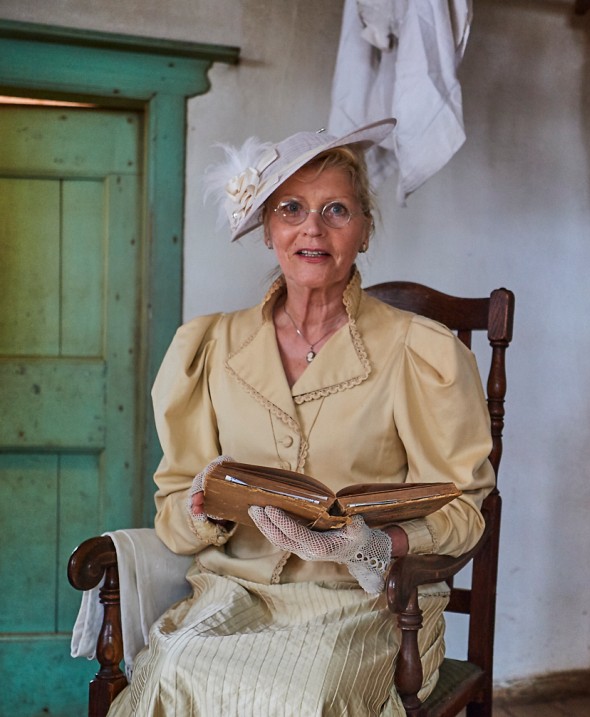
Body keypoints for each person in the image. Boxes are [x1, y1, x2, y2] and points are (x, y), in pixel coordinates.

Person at [106, 119, 495, 716]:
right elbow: (175, 503)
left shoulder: (423, 351)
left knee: (299, 694)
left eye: (336, 210)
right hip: (234, 593)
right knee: (176, 667)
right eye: (291, 208)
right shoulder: (208, 345)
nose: (312, 227)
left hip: (368, 604)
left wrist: (375, 544)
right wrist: (205, 509)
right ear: (268, 229)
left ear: (364, 231)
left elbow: (464, 509)